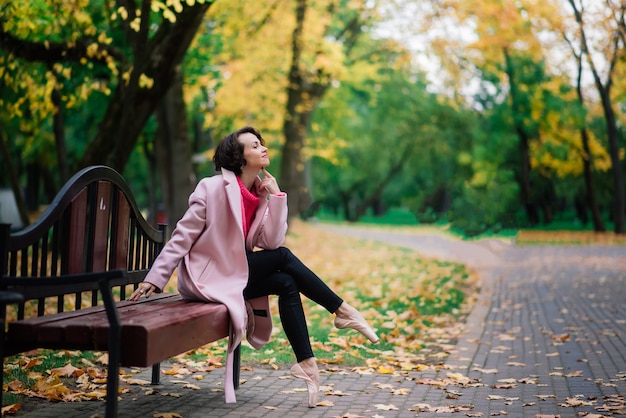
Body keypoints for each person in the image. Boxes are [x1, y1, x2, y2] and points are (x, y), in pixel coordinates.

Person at [129, 126, 378, 407]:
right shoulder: (211, 188)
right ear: (239, 157)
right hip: (210, 277)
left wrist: (277, 197)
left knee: (286, 282)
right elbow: (182, 236)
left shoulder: (258, 194)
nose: (264, 148)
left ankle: (306, 364)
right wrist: (156, 277)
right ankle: (341, 310)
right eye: (255, 145)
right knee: (284, 258)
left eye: (262, 143)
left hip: (235, 273)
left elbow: (270, 242)